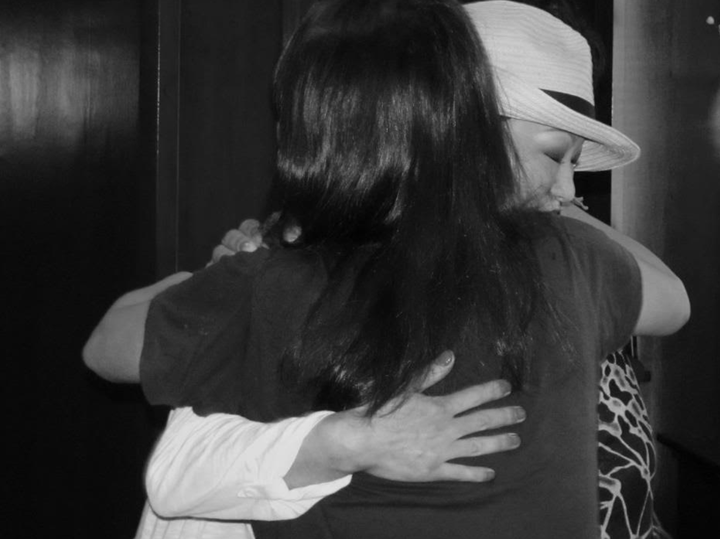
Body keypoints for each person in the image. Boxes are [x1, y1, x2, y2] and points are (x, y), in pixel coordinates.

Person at [83, 1, 689, 538]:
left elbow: (108, 345)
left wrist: (210, 275)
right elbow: (672, 303)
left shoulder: (274, 281)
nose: (566, 189)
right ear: (468, 130)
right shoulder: (571, 260)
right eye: (556, 156)